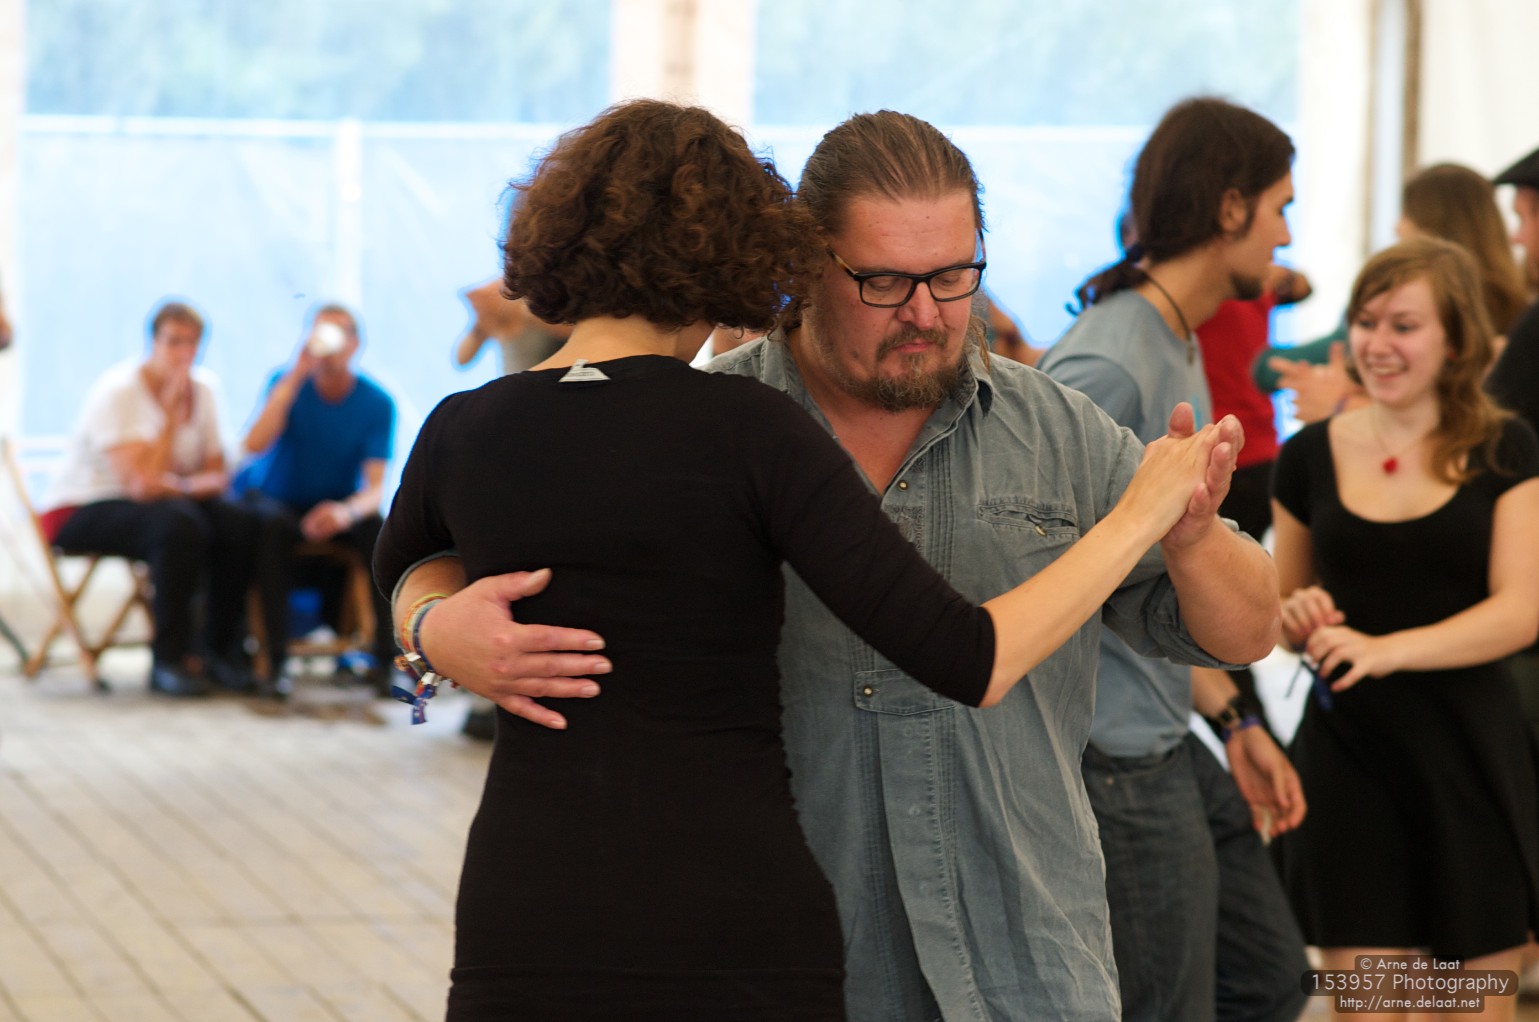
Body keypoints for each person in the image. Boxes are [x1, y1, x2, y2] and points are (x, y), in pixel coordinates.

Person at [388, 107, 1281, 1021]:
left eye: (954, 276)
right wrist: (430, 629)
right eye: (884, 281)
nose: (925, 312)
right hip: (778, 955)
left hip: (1016, 967)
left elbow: (1247, 628)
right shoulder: (735, 425)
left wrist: (1185, 531)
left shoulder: (1056, 431)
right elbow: (423, 561)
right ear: (800, 263)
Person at [1038, 96, 1309, 1022]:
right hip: (1114, 755)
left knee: (1269, 976)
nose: (1285, 233)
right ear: (1229, 208)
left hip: (1158, 735)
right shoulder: (1108, 365)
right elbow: (1049, 572)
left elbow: (1156, 578)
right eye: (1279, 207)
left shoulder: (1168, 336)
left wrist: (1234, 720)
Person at [1272, 238, 1539, 1017]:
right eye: (1365, 322)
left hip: (1469, 756)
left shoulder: (1504, 447)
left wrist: (1387, 650)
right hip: (1349, 759)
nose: (1377, 344)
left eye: (1403, 325)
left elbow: (1520, 610)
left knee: (1469, 1003)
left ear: (1454, 340)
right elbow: (1283, 608)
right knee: (1368, 1003)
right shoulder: (1308, 454)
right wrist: (1294, 616)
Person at [42, 300, 258, 696]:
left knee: (236, 519)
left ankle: (222, 651)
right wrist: (170, 413)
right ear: (153, 342)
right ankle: (170, 659)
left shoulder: (206, 389)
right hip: (85, 504)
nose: (182, 353)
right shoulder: (119, 390)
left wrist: (182, 487)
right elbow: (140, 484)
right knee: (179, 524)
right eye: (173, 342)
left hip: (170, 500)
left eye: (191, 343)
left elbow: (217, 475)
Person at [237, 304, 396, 692]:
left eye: (339, 333)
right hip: (278, 500)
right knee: (269, 528)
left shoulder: (377, 403)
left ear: (356, 344)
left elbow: (375, 487)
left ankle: (385, 660)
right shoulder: (286, 384)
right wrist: (295, 376)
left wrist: (345, 512)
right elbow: (253, 445)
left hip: (335, 504)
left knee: (378, 529)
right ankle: (275, 661)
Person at [1398, 162, 1529, 338]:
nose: (1398, 227)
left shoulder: (1451, 299)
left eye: (1407, 214)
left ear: (1435, 224)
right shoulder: (1513, 299)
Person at [452, 279, 574, 375]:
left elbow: (570, 331)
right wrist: (481, 324)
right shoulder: (490, 314)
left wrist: (527, 313)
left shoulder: (528, 299)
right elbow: (461, 359)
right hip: (520, 388)